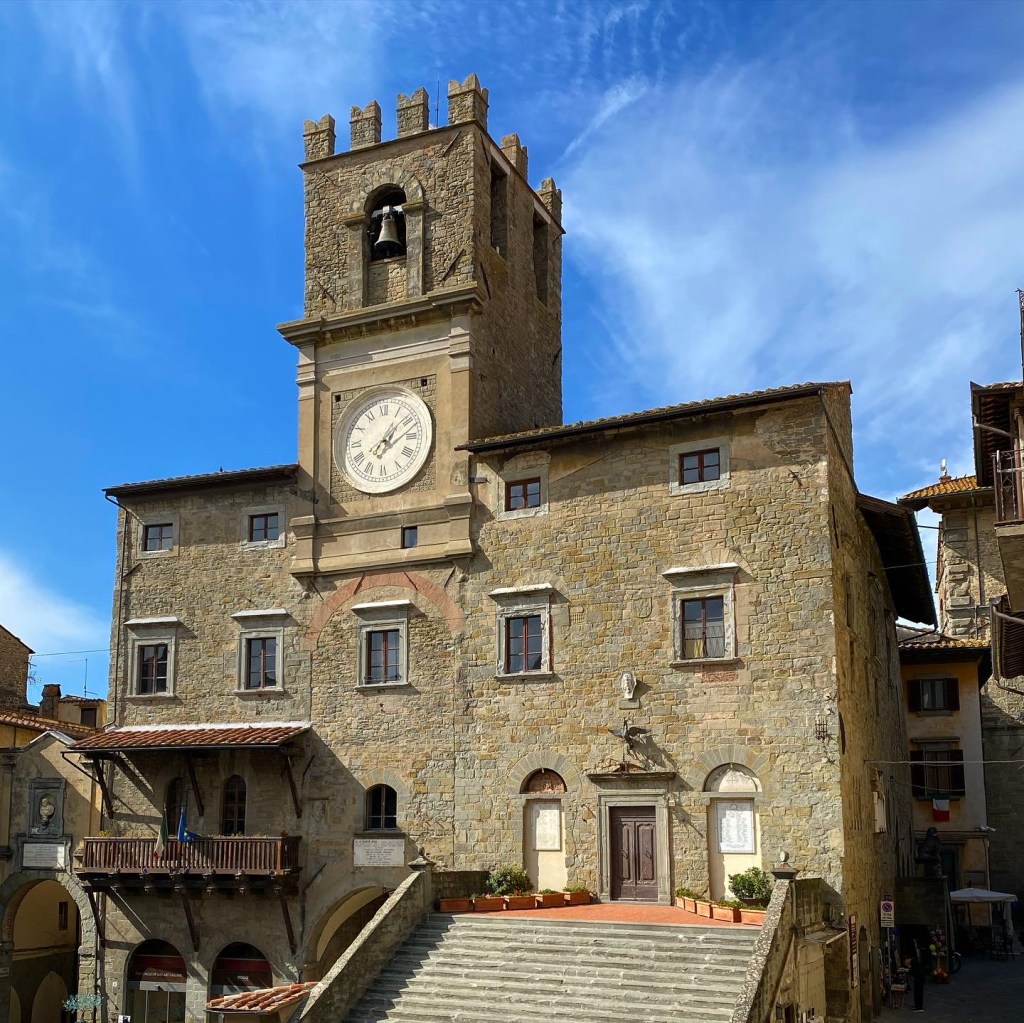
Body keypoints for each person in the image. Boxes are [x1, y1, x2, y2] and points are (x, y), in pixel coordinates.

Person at [909, 945, 931, 1012]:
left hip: (919, 976)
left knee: (918, 991)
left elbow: (914, 969)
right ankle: (917, 1005)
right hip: (919, 976)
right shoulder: (919, 960)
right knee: (917, 991)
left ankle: (919, 1007)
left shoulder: (917, 960)